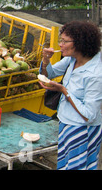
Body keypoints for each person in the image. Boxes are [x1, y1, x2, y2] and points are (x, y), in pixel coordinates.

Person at [39, 20, 102, 170]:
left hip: (82, 129)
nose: (60, 44)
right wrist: (46, 60)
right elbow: (51, 73)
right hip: (66, 122)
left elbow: (89, 114)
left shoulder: (95, 74)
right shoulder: (71, 59)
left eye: (64, 41)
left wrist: (64, 91)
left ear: (80, 44)